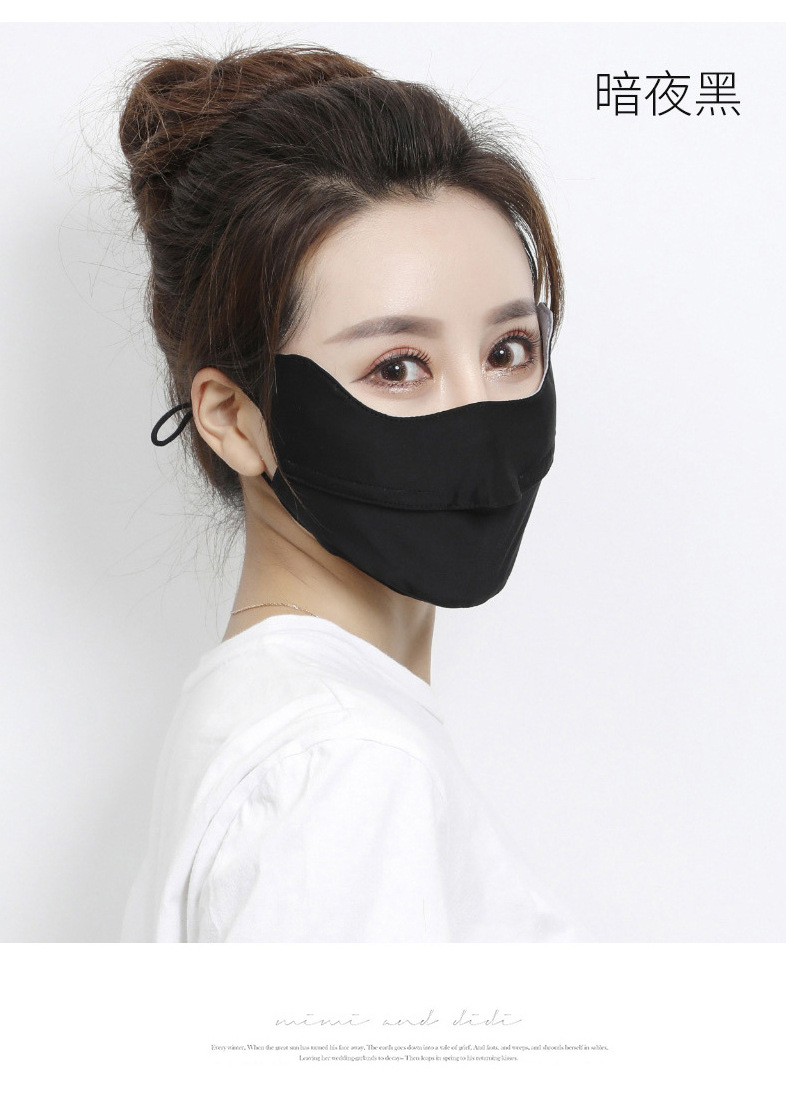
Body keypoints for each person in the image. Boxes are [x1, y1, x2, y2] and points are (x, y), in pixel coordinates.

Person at [118, 42, 582, 942]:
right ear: (234, 419)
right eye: (398, 366)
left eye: (508, 350)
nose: (479, 415)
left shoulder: (276, 719)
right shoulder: (345, 763)